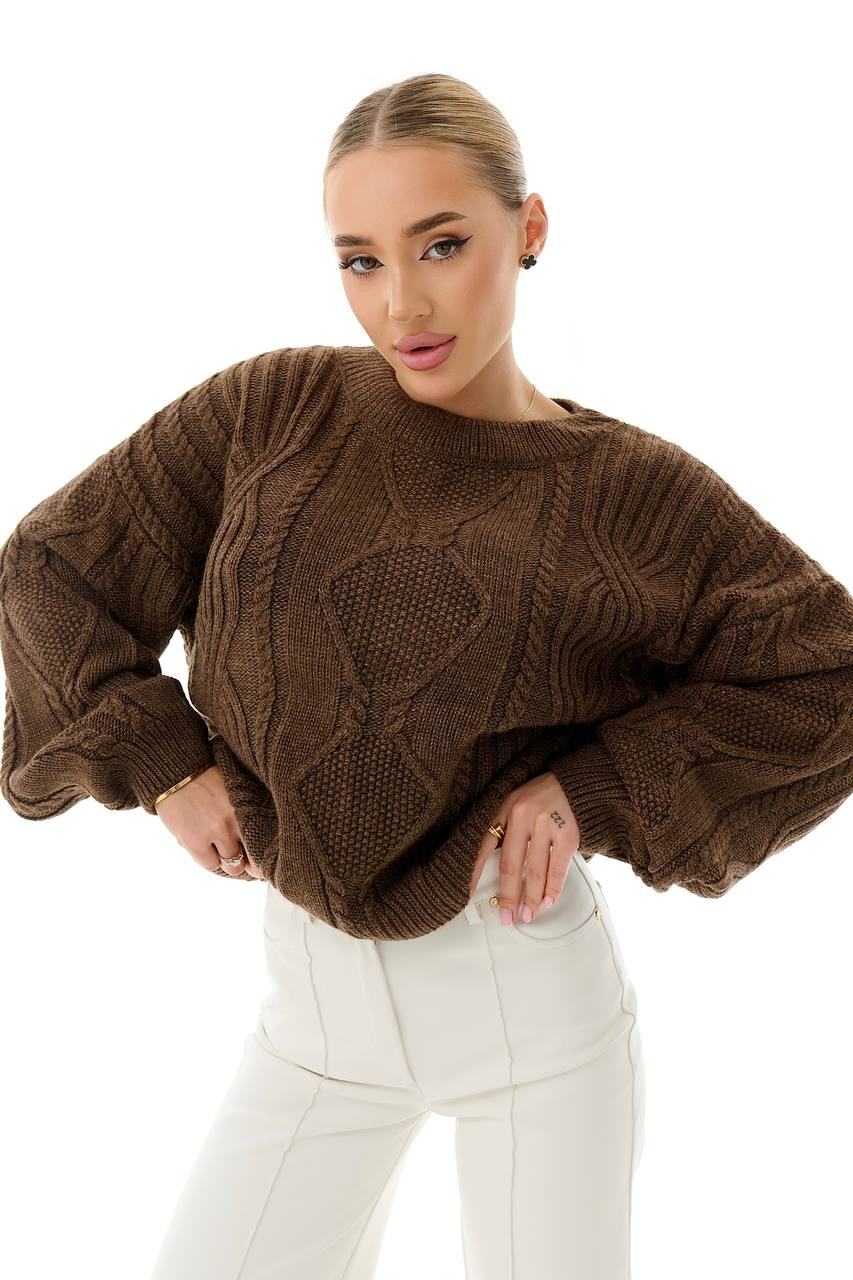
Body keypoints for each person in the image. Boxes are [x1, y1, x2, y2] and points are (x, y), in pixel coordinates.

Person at [1, 72, 852, 1280]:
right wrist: (164, 758)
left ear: (529, 227)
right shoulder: (273, 410)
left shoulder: (625, 491)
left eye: (440, 244)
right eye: (360, 260)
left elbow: (825, 668)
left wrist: (594, 787)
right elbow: (49, 565)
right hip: (311, 1017)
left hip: (525, 1008)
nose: (400, 302)